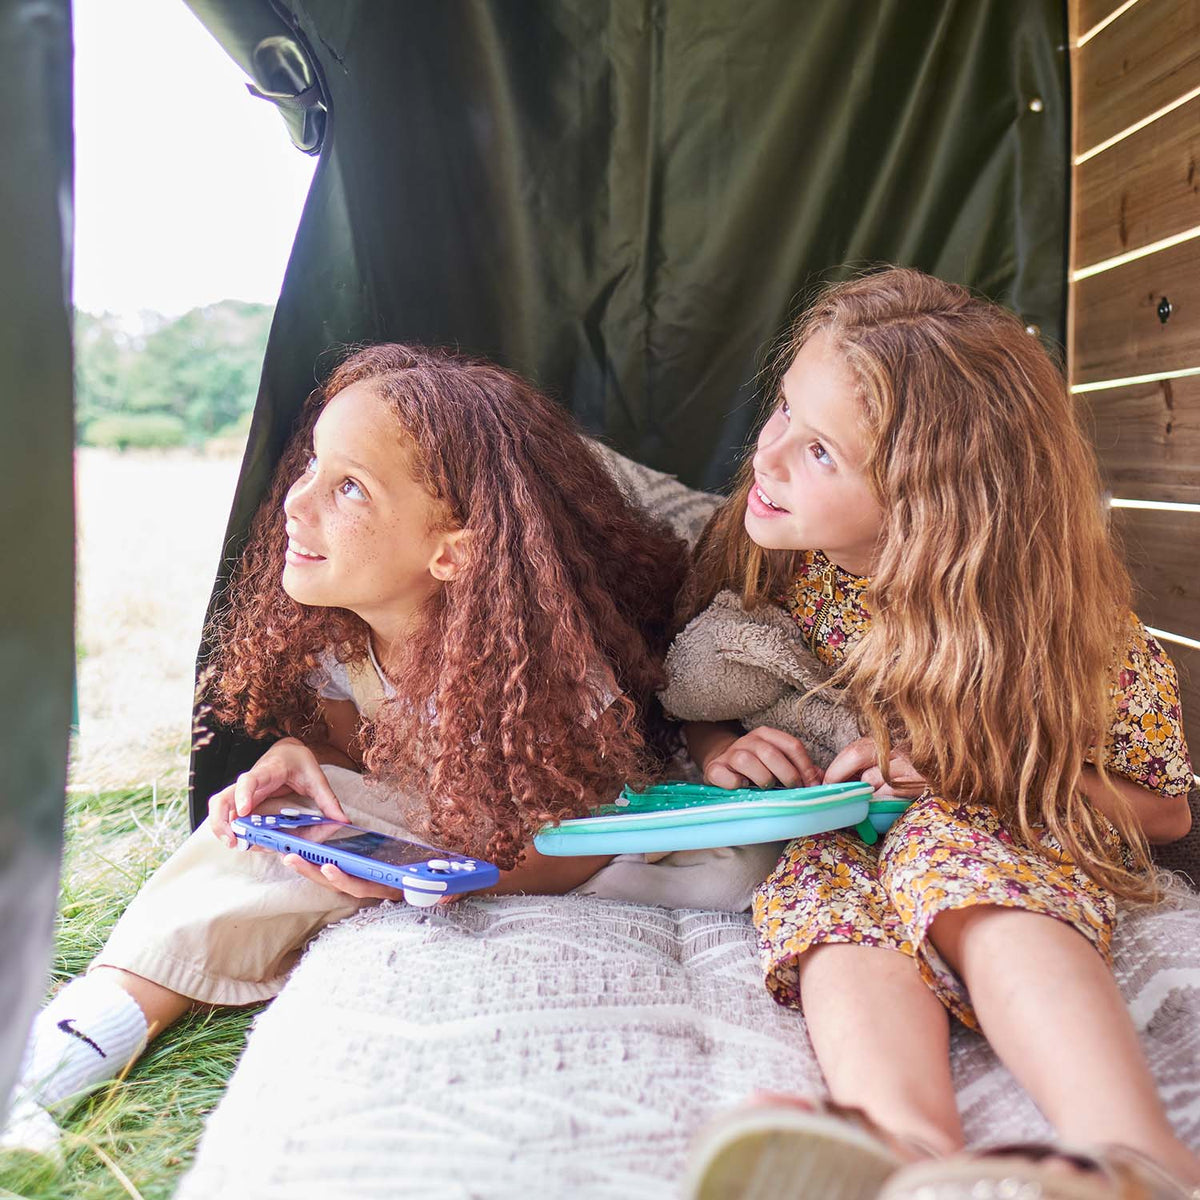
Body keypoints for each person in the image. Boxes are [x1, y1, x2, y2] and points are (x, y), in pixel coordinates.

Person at [4, 343, 690, 1157]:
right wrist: (301, 756)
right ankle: (65, 1054)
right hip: (443, 832)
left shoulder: (544, 670)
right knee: (275, 825)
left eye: (349, 488)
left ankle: (57, 1060)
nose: (296, 502)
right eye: (313, 466)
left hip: (559, 847)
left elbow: (573, 844)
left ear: (452, 552)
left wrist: (421, 878)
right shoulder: (348, 645)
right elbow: (358, 757)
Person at [675, 269, 1199, 1200]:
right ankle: (907, 1154)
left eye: (822, 451)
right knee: (825, 903)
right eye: (782, 412)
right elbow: (703, 677)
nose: (770, 457)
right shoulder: (768, 547)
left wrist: (970, 773)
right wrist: (719, 746)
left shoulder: (1060, 627)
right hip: (837, 829)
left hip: (986, 822)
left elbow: (1161, 813)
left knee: (959, 855)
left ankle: (1138, 1155)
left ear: (933, 498)